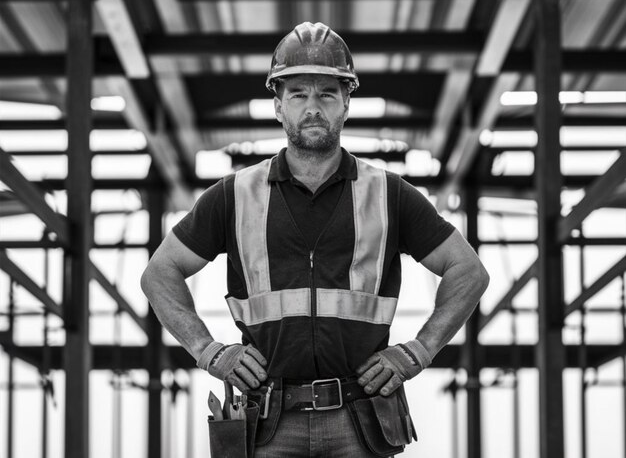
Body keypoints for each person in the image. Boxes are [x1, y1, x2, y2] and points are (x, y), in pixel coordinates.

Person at [141, 22, 489, 457]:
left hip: (359, 421)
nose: (313, 107)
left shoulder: (388, 193)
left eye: (326, 93)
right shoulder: (234, 195)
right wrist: (209, 351)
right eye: (298, 94)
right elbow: (160, 273)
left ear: (346, 103)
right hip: (267, 421)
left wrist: (417, 351)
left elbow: (468, 270)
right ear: (278, 106)